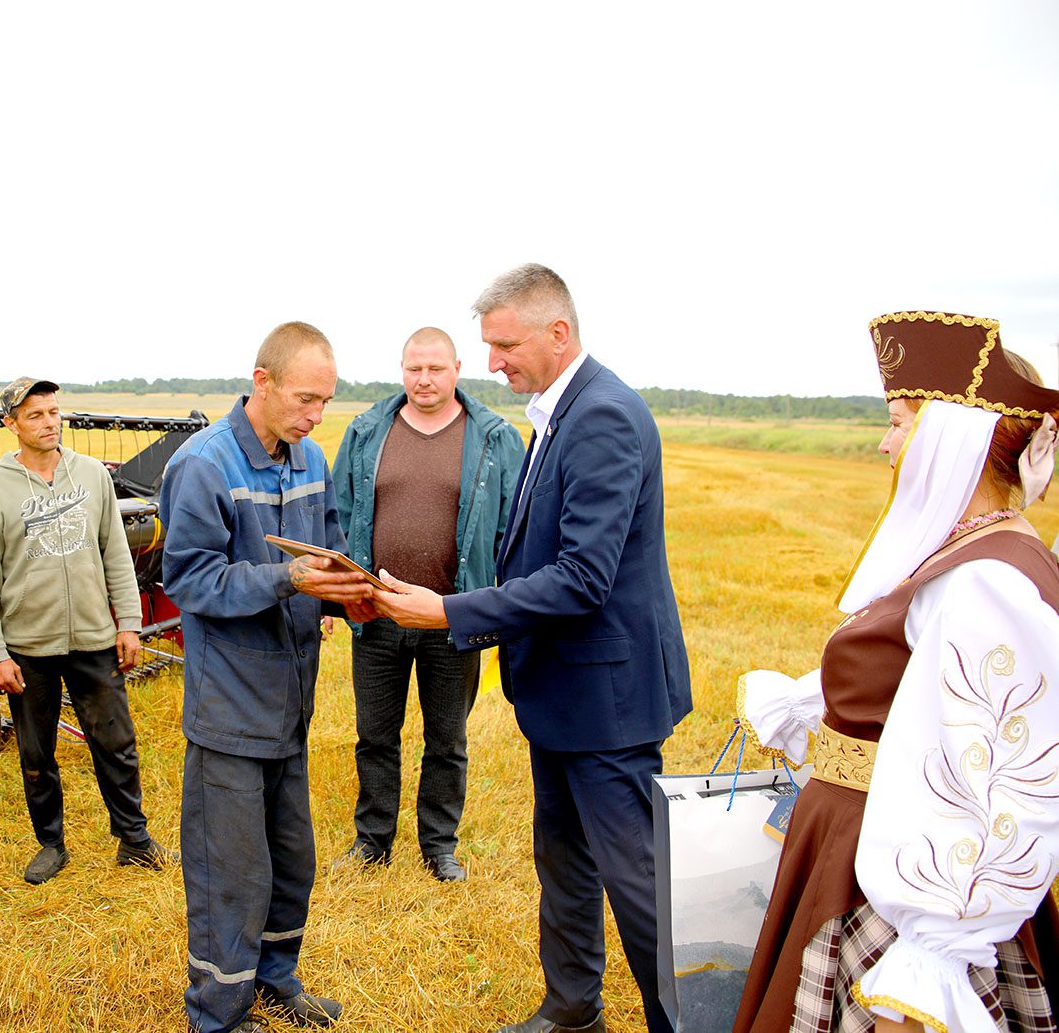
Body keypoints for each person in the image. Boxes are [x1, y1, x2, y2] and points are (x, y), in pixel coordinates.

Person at [374, 263, 691, 1033]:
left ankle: (682, 1022)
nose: (493, 363)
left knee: (636, 884)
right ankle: (572, 1009)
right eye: (489, 347)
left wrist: (448, 611)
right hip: (565, 694)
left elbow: (582, 579)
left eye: (506, 346)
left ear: (559, 331)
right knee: (564, 857)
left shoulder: (603, 416)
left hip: (608, 701)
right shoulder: (559, 412)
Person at [733, 312, 1059, 1033]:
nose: (885, 443)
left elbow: (1005, 793)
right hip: (856, 853)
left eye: (899, 423)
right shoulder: (973, 553)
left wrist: (926, 973)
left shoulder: (986, 583)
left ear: (952, 437)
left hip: (899, 891)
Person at [161, 322, 375, 1033]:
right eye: (306, 399)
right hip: (229, 706)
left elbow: (330, 546)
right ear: (263, 381)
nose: (317, 416)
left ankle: (277, 977)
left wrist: (350, 591)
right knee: (231, 871)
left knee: (291, 858)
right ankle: (218, 1012)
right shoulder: (203, 465)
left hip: (290, 702)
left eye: (326, 401)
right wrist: (288, 578)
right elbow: (190, 580)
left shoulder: (309, 457)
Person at [331, 326, 525, 882]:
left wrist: (501, 609)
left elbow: (513, 531)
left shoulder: (494, 438)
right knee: (375, 736)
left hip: (452, 618)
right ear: (402, 369)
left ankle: (439, 847)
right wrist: (344, 597)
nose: (423, 379)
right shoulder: (366, 431)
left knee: (447, 740)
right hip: (378, 614)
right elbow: (338, 517)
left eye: (435, 368)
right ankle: (372, 841)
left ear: (457, 369)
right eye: (414, 368)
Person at [0, 376, 169, 885]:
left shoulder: (92, 476)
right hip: (28, 645)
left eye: (54, 412)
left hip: (94, 638)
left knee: (116, 742)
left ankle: (134, 839)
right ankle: (51, 845)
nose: (49, 422)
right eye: (35, 415)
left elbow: (115, 554)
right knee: (37, 754)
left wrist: (129, 624)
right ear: (10, 424)